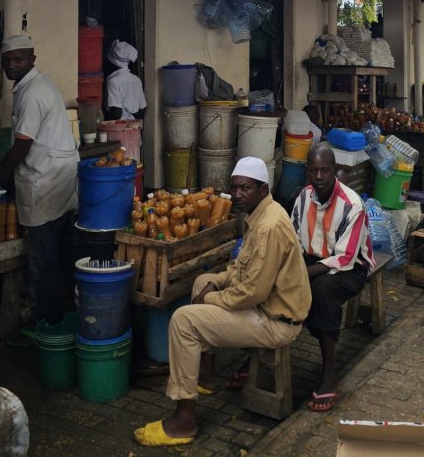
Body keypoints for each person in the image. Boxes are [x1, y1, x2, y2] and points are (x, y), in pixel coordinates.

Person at [135, 156, 310, 448]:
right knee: (203, 281)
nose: (238, 194)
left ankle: (184, 418)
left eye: (246, 188)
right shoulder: (261, 215)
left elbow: (252, 292)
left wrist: (213, 298)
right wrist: (216, 283)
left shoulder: (268, 227)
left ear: (263, 189)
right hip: (265, 305)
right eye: (235, 188)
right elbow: (242, 268)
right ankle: (205, 375)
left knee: (184, 320)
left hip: (276, 321)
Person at [0, 35, 79, 325]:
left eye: (19, 59)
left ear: (32, 60)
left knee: (43, 258)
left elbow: (21, 147)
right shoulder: (39, 85)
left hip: (47, 180)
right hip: (62, 175)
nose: (12, 65)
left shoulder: (31, 93)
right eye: (8, 60)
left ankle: (48, 320)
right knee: (67, 252)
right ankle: (75, 311)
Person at [290, 144, 375, 412]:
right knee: (279, 280)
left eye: (325, 170)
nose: (319, 176)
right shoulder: (303, 197)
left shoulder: (353, 204)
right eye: (313, 170)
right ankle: (261, 352)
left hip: (352, 267)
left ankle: (329, 372)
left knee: (322, 289)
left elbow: (344, 258)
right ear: (307, 172)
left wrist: (302, 273)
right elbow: (293, 240)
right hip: (314, 261)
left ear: (334, 171)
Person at [105, 39, 146, 121]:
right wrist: (130, 113)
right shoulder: (136, 80)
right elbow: (142, 111)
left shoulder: (113, 81)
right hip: (135, 128)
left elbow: (116, 114)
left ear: (112, 62)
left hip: (117, 129)